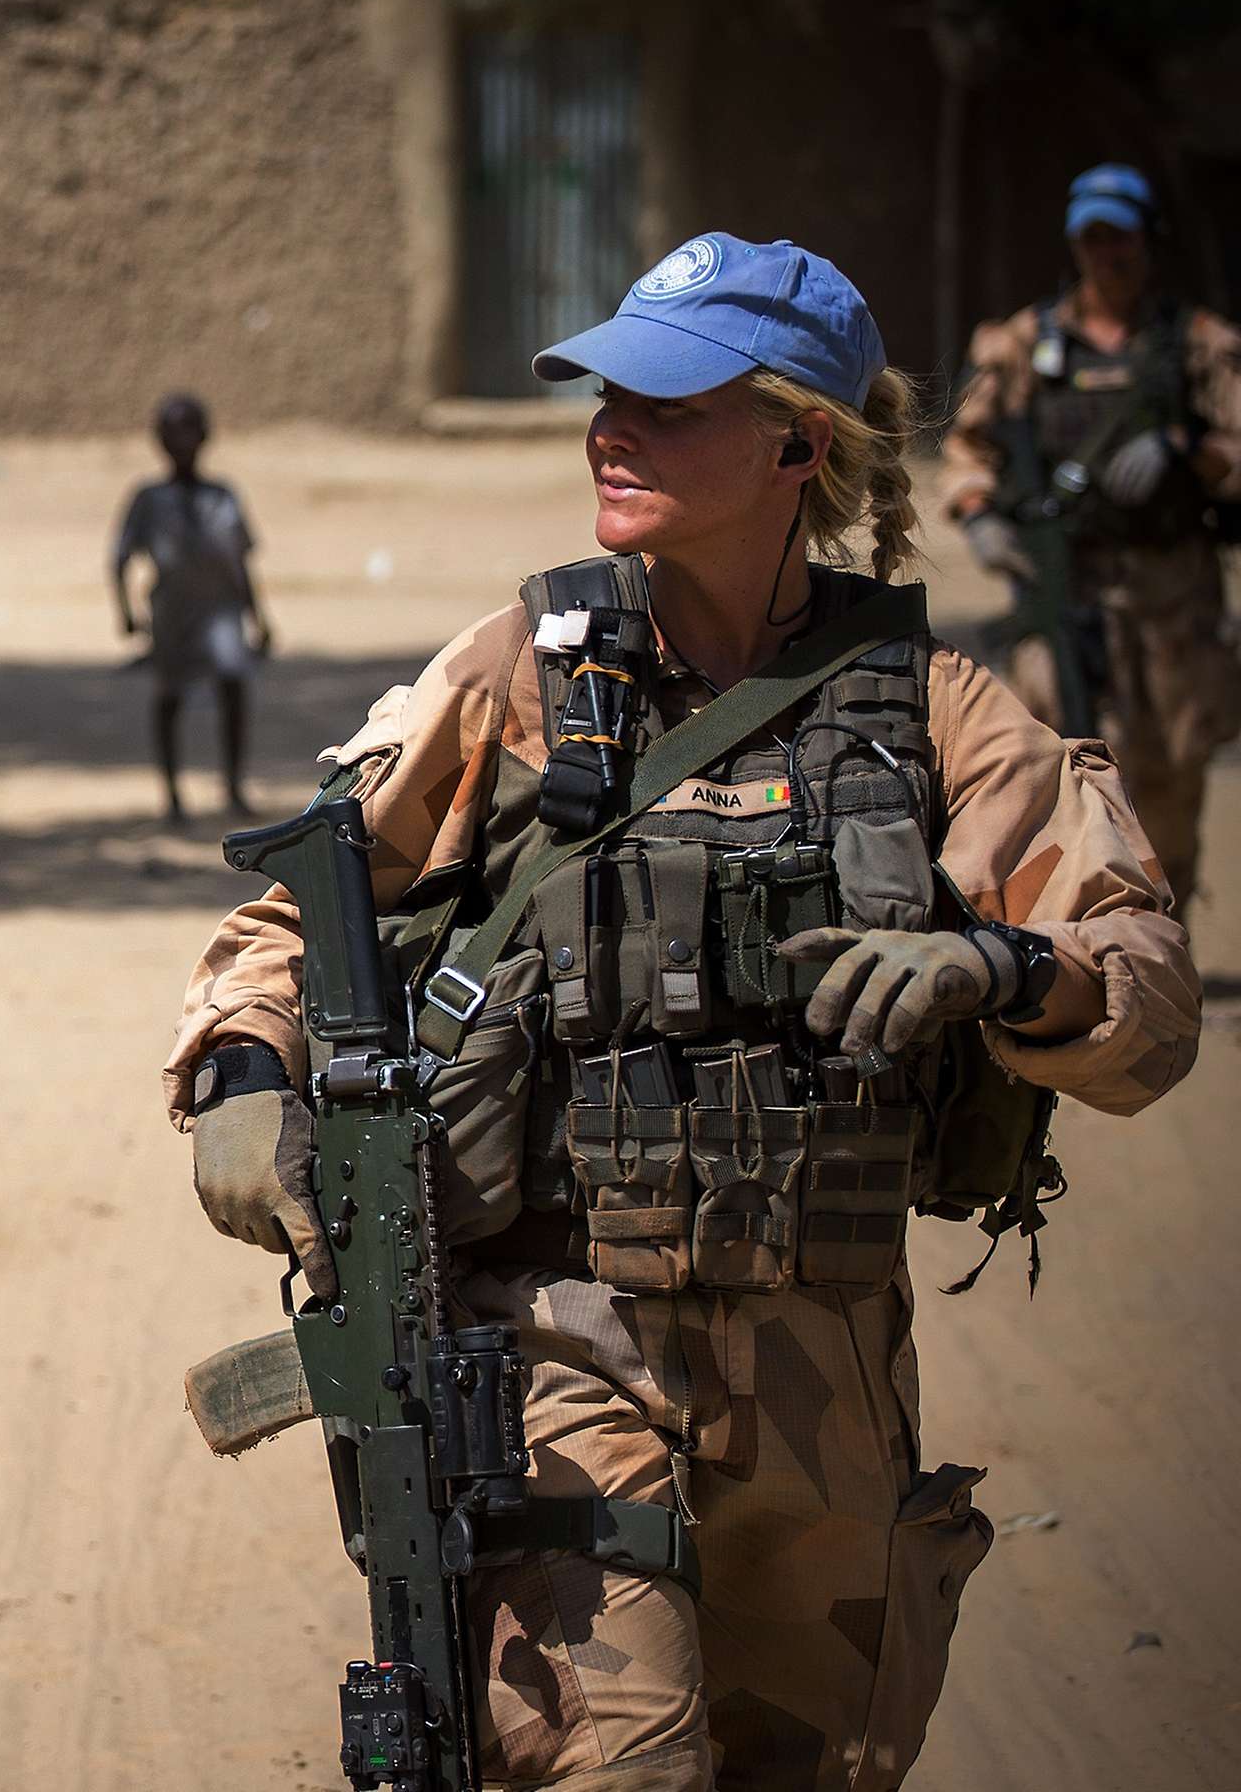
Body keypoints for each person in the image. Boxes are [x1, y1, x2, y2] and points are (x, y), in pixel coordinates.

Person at [167, 234, 1198, 1786]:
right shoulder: (524, 672)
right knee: (622, 1764)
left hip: (828, 1383)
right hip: (567, 1346)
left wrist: (1001, 968)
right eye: (605, 393)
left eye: (666, 400)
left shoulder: (935, 709)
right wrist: (247, 1065)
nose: (611, 428)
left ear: (801, 443)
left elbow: (1151, 1004)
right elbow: (298, 914)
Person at [945, 162, 1241, 906]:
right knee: (1057, 749)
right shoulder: (1023, 344)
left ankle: (1159, 917)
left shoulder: (1197, 344)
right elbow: (967, 449)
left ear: (1148, 241)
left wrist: (1184, 450)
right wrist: (980, 519)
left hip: (1172, 587)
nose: (1108, 255)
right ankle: (1081, 923)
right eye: (1094, 239)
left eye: (1123, 238)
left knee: (1172, 759)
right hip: (1063, 585)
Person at [111, 392, 269, 823]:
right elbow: (120, 558)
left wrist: (260, 618)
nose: (182, 441)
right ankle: (173, 794)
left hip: (221, 610)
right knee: (169, 698)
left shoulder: (223, 496)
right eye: (173, 432)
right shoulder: (149, 500)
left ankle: (233, 787)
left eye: (190, 430)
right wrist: (125, 613)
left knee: (233, 686)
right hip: (172, 614)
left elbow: (241, 561)